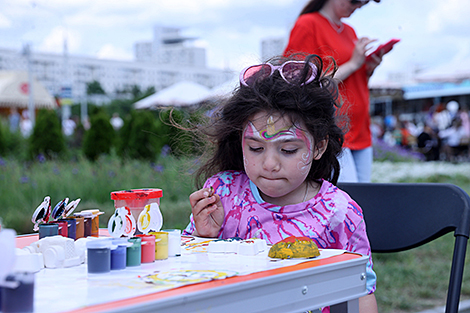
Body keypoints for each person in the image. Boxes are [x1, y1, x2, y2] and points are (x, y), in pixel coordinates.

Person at [182, 54, 377, 312]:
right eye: (255, 148)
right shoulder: (223, 193)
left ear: (319, 146)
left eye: (287, 150)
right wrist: (203, 237)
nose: (270, 164)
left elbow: (360, 290)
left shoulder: (339, 213)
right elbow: (185, 273)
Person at [283, 0, 384, 183]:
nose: (358, 6)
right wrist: (353, 64)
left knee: (362, 201)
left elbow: (353, 84)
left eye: (364, 3)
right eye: (356, 1)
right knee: (347, 200)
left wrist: (367, 69)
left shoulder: (349, 31)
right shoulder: (308, 24)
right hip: (332, 129)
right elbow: (300, 82)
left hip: (360, 128)